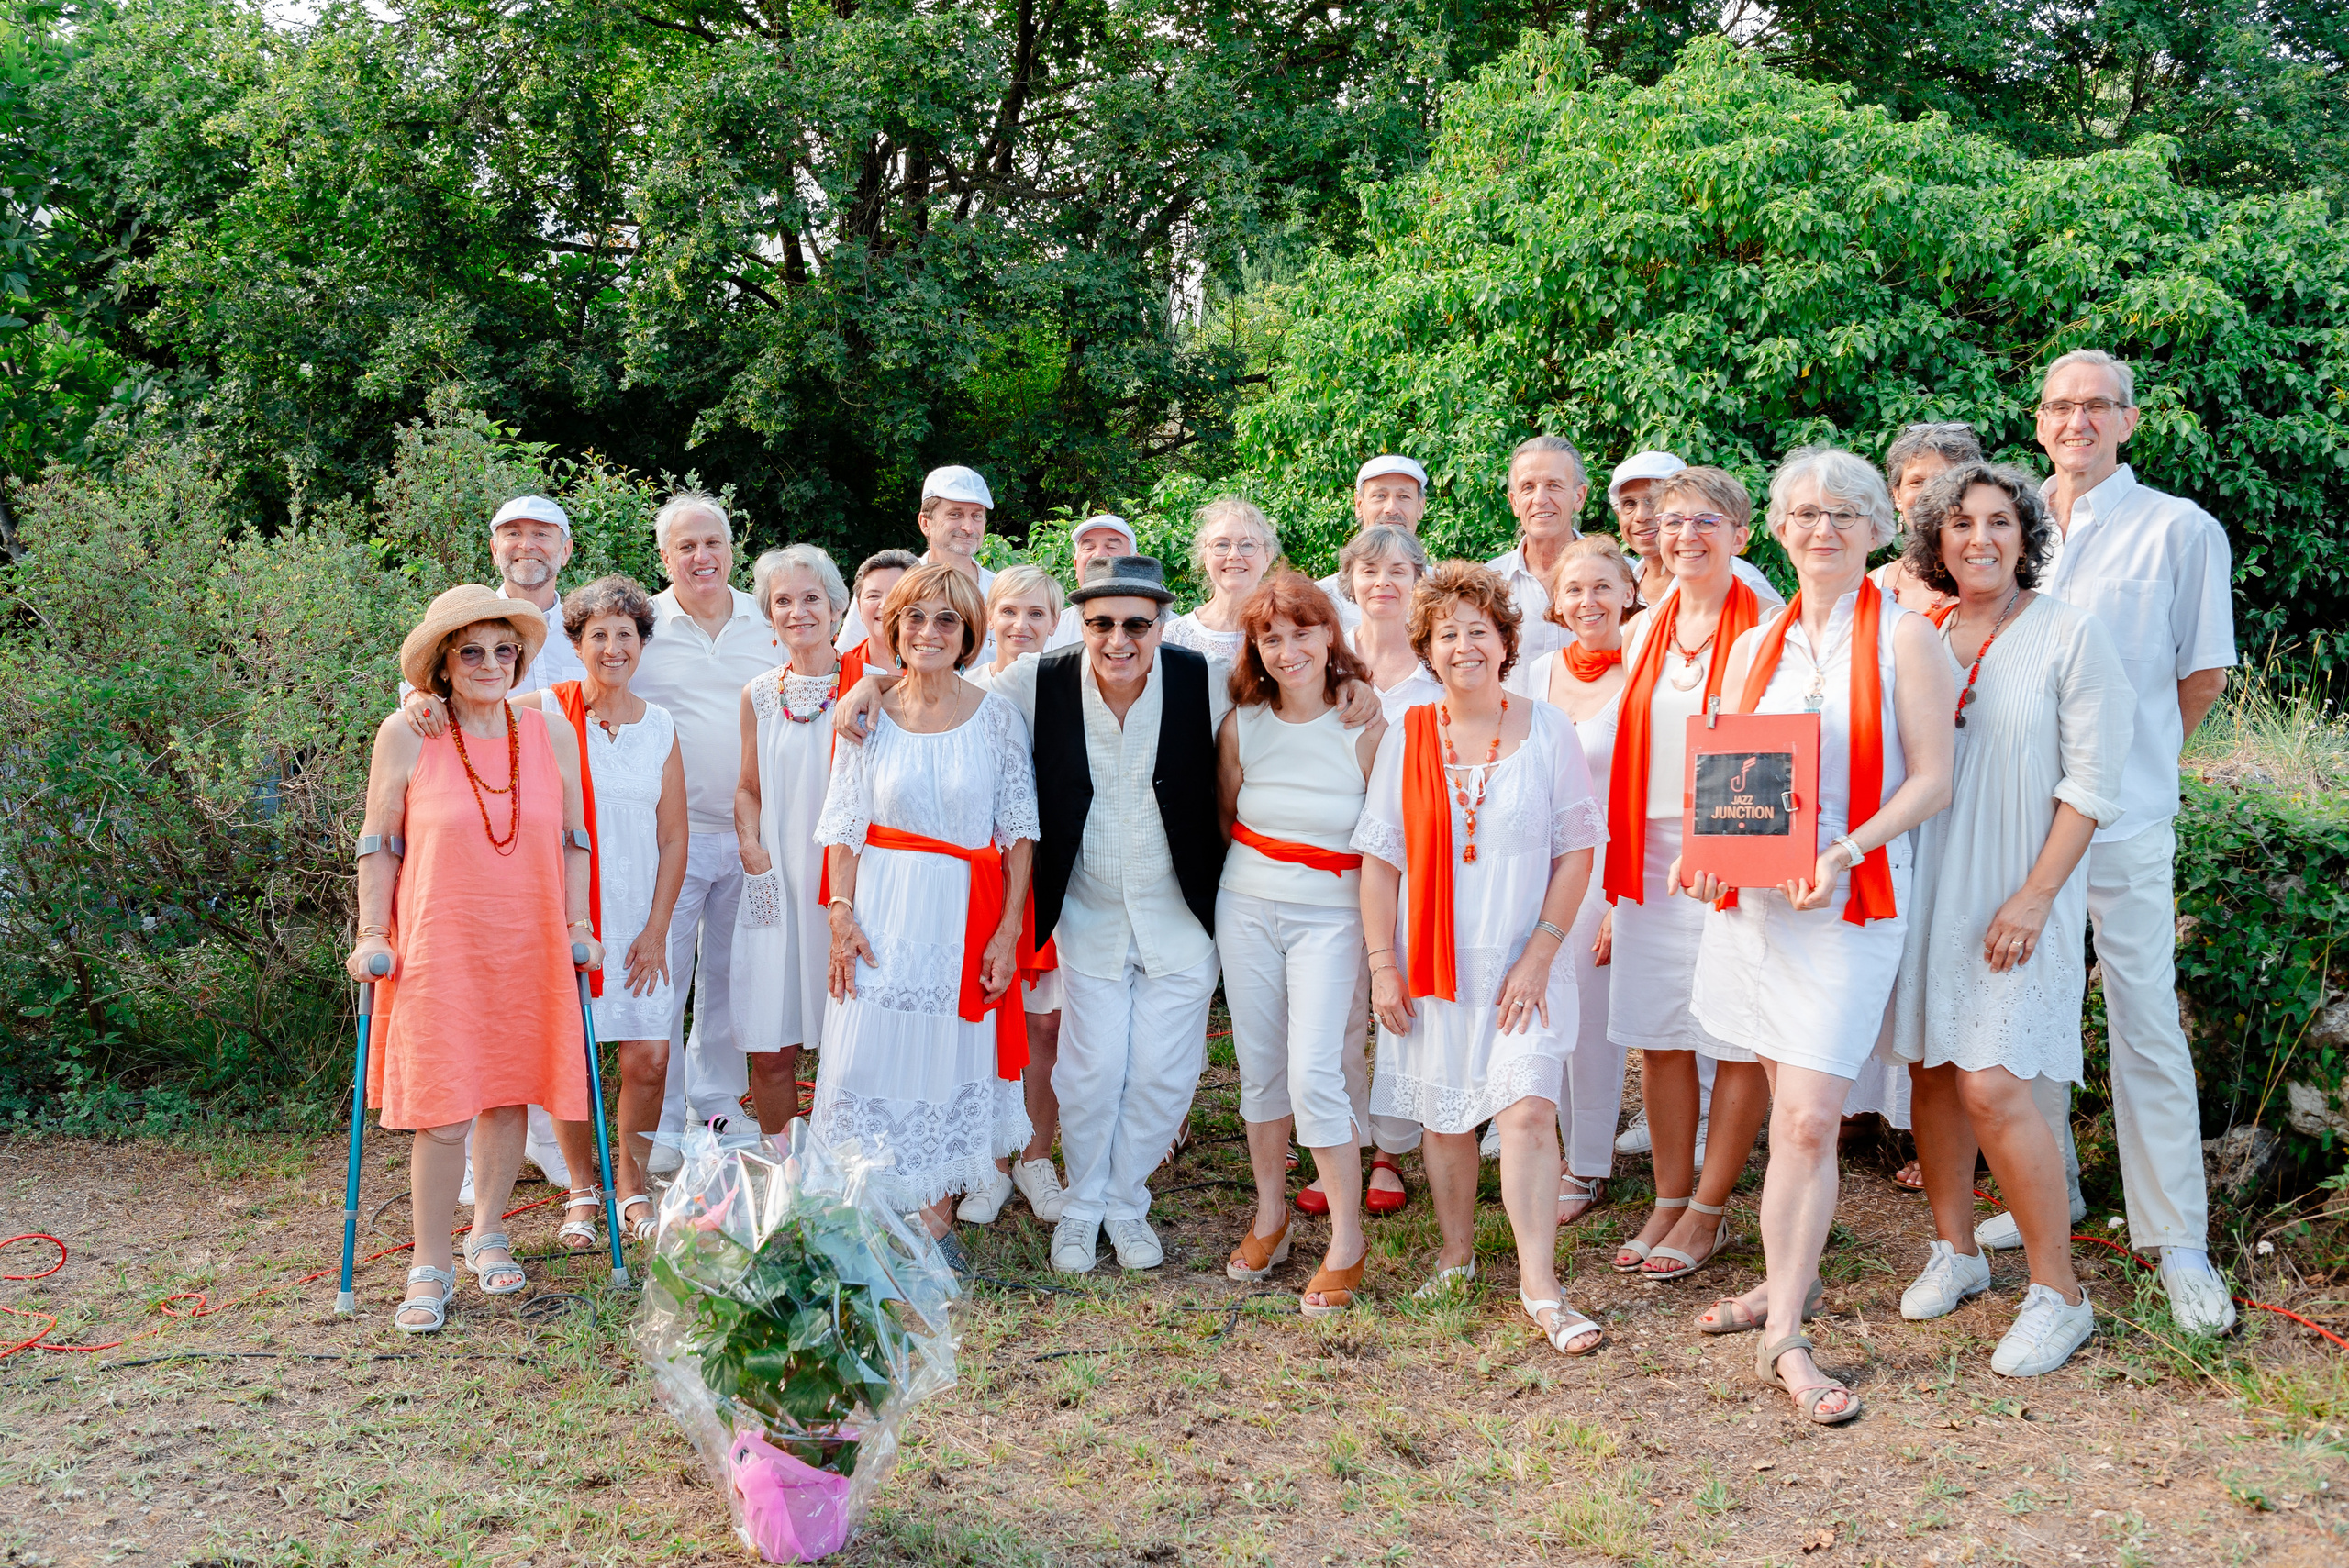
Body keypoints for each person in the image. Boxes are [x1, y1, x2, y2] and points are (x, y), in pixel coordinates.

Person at [836, 556, 1382, 1273]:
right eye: (1101, 623)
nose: (1118, 639)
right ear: (1081, 624)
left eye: (1135, 623)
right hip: (1089, 914)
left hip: (1179, 917)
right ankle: (1083, 1205)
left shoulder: (1203, 680)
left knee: (1165, 1072)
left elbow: (1286, 692)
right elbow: (942, 683)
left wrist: (1357, 691)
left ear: (1161, 623)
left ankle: (1125, 1201)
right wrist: (870, 684)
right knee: (1089, 1074)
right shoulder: (1039, 680)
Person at [1678, 446, 1955, 1425]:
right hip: (1758, 906)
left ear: (1879, 526)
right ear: (1781, 529)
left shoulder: (1909, 638)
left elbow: (1931, 780)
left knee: (1805, 1118)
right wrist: (1702, 851)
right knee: (1773, 1103)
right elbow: (1728, 770)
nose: (1822, 527)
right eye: (1802, 512)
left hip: (1851, 901)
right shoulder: (1759, 638)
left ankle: (1782, 1334)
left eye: (1844, 512)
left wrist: (1843, 849)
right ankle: (1783, 1281)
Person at [1888, 462, 2131, 1375]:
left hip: (2017, 889)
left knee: (1993, 1082)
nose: (1979, 538)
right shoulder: (1917, 635)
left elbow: (2090, 785)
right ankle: (1955, 1250)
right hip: (1926, 883)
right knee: (1933, 1068)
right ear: (1935, 542)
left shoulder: (2070, 634)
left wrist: (2034, 898)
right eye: (1959, 524)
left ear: (2025, 533)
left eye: (1998, 520)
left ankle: (2058, 1293)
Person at [2014, 348, 2237, 1333]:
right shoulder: (2010, 522)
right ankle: (2047, 1200)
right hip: (2021, 824)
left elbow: (2202, 676)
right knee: (2034, 1013)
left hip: (2127, 819)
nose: (2078, 421)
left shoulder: (2178, 531)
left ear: (2129, 421)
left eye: (2097, 405)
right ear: (2036, 421)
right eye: (2061, 406)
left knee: (2144, 1021)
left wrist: (2133, 770)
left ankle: (2175, 1237)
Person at [1353, 561, 1607, 1354]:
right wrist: (1382, 965)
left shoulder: (1549, 728)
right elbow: (1381, 857)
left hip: (1523, 956)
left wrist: (1541, 951)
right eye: (1448, 633)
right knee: (1445, 1110)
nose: (1465, 645)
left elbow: (1577, 851)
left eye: (1480, 630)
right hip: (1431, 955)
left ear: (1506, 640)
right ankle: (1457, 1254)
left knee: (1529, 1106)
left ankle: (1541, 1285)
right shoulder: (1409, 734)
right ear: (1428, 649)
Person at [349, 585, 599, 1331]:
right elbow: (378, 841)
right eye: (472, 651)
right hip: (439, 940)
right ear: (444, 666)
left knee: (507, 1089)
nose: (492, 663)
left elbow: (575, 838)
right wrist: (370, 932)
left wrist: (580, 921)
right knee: (444, 1104)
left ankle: (489, 1229)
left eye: (505, 650)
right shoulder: (407, 731)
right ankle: (428, 1259)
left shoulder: (549, 732)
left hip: (528, 938)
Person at [814, 564, 1039, 1241]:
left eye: (946, 619)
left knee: (946, 1052)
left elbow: (1020, 832)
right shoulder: (866, 713)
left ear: (969, 632)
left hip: (961, 911)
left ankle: (934, 1215)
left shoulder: (996, 716)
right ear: (893, 626)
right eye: (914, 616)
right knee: (865, 1054)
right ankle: (867, 1204)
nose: (928, 631)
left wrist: (1006, 934)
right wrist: (841, 913)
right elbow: (844, 824)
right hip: (881, 906)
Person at [1601, 466, 1776, 1280]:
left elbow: (1772, 760)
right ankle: (1669, 1195)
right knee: (1661, 1032)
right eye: (1673, 522)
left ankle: (1709, 1208)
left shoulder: (1768, 627)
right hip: (1648, 847)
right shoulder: (1644, 631)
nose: (1687, 536)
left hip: (1729, 843)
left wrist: (1721, 846)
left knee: (1736, 1032)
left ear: (1742, 535)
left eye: (1708, 521)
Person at [397, 495, 589, 1195]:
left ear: (565, 548)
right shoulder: (457, 624)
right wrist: (420, 702)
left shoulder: (582, 624)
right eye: (511, 533)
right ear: (493, 546)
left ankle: (554, 1163)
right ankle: (479, 1176)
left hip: (545, 842)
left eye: (541, 533)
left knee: (533, 1030)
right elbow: (416, 735)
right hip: (464, 864)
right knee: (472, 1031)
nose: (525, 544)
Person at [1215, 572, 1386, 1314]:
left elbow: (1387, 842)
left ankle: (1346, 1237)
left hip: (1332, 914)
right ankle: (1272, 1215)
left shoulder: (1367, 726)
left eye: (1302, 632)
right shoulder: (1241, 725)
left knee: (1316, 1070)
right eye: (1271, 637)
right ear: (1255, 647)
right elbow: (1226, 815)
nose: (1288, 649)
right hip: (1247, 905)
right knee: (1259, 1068)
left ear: (1328, 636)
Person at [511, 576, 688, 1243]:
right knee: (572, 1059)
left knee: (646, 1057)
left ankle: (633, 1183)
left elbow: (675, 837)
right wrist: (422, 711)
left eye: (626, 634)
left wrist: (656, 929)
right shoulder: (543, 711)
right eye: (599, 635)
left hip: (640, 917)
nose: (613, 647)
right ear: (576, 643)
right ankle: (582, 1189)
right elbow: (466, 711)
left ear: (642, 642)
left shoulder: (661, 726)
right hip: (567, 915)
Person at [631, 491, 784, 1168]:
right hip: (669, 837)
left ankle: (717, 1103)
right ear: (663, 556)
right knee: (662, 978)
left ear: (732, 549)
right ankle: (659, 1121)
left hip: (751, 832)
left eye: (712, 543)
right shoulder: (643, 625)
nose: (701, 556)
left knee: (729, 974)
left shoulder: (766, 619)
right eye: (685, 546)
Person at [1503, 536, 1638, 1224]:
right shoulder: (1535, 674)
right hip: (1538, 870)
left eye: (1602, 587)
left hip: (1612, 869)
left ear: (1627, 593)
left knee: (1593, 1027)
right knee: (1536, 1010)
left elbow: (1653, 787)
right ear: (1557, 601)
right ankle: (1533, 1141)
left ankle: (1587, 1163)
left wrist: (1623, 892)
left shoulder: (1647, 671)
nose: (1588, 601)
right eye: (1575, 589)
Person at [730, 544, 853, 1139]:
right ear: (769, 613)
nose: (797, 611)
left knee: (850, 1040)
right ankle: (784, 1165)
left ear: (835, 608)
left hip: (844, 888)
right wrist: (749, 843)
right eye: (783, 600)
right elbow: (748, 787)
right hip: (775, 881)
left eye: (811, 599)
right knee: (771, 1043)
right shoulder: (758, 693)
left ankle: (846, 1167)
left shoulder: (873, 686)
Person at [968, 565, 1074, 1223]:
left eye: (1037, 613)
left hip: (1056, 874)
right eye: (1009, 611)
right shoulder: (967, 687)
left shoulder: (1070, 690)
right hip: (983, 877)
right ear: (989, 614)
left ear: (1056, 620)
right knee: (985, 1015)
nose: (1022, 626)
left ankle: (1036, 1155)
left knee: (1046, 1022)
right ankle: (989, 1161)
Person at [833, 466, 999, 660]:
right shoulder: (888, 584)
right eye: (955, 514)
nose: (969, 527)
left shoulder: (1001, 593)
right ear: (925, 523)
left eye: (977, 516)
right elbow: (846, 659)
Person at [1608, 451, 1779, 609]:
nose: (1641, 516)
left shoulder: (1743, 581)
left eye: (1653, 501)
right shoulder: (1620, 582)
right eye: (1629, 504)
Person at [1486, 436, 1589, 661]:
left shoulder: (1622, 576)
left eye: (1554, 485)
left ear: (1579, 497)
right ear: (1514, 502)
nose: (1540, 499)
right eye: (1528, 487)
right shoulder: (1488, 583)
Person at [1871, 423, 1984, 617]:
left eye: (1944, 480)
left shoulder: (1988, 580)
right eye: (1916, 482)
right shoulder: (1874, 584)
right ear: (1897, 496)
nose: (1928, 493)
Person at [1341, 525, 1442, 725]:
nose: (1382, 581)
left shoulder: (1439, 658)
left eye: (1397, 572)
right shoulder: (1331, 658)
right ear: (1351, 583)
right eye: (1369, 571)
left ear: (1417, 583)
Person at [1318, 455, 1430, 627]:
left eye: (1404, 496)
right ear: (1359, 505)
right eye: (1380, 496)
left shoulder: (1445, 592)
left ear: (1420, 507)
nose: (1391, 508)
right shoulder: (1324, 599)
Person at [1165, 497, 1279, 662]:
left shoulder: (1286, 629)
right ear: (1205, 558)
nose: (1234, 555)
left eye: (1247, 545)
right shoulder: (1174, 637)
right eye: (1221, 545)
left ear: (1267, 558)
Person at [1047, 515, 1141, 646]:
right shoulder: (1051, 630)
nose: (1098, 555)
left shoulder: (1168, 628)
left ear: (1135, 564)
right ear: (1076, 566)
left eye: (1112, 547)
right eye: (1089, 547)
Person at [845, 550, 918, 674]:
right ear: (859, 607)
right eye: (873, 596)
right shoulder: (839, 671)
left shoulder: (942, 667)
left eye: (897, 595)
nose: (884, 605)